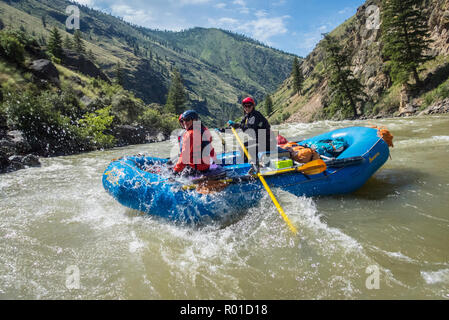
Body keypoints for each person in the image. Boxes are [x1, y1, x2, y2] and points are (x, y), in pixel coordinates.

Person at [226, 97, 276, 163]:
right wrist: (224, 129)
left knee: (247, 149)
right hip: (259, 141)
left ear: (253, 106)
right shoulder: (247, 116)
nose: (247, 108)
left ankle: (253, 165)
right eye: (245, 106)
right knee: (242, 147)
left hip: (268, 143)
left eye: (249, 106)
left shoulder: (256, 115)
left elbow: (249, 128)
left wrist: (236, 125)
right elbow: (240, 126)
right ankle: (248, 163)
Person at [173, 110, 216, 175]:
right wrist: (214, 159)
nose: (184, 122)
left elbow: (185, 158)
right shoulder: (203, 129)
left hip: (196, 170)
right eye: (183, 120)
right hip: (205, 167)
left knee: (170, 168)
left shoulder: (190, 134)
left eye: (187, 120)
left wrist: (175, 172)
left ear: (195, 120)